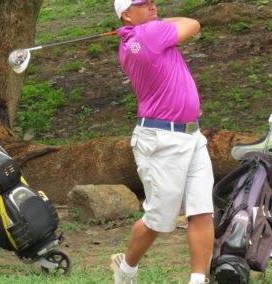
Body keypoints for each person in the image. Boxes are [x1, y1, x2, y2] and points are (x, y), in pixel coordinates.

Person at [110, 1, 214, 284]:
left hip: (192, 135)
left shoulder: (136, 38)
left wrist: (147, 22)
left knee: (201, 209)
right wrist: (154, 23)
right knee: (159, 219)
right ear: (126, 15)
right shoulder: (148, 35)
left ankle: (197, 280)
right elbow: (193, 23)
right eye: (141, 3)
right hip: (161, 140)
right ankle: (126, 268)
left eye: (151, 0)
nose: (152, 5)